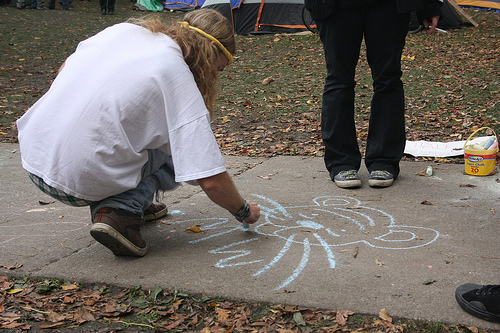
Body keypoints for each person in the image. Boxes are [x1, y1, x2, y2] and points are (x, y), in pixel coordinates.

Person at [16, 9, 261, 257]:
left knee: (148, 135)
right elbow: (209, 178)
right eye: (217, 69)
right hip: (74, 181)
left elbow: (66, 67)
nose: (214, 77)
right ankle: (120, 210)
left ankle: (135, 201)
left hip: (34, 155)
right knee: (178, 150)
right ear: (210, 50)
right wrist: (242, 210)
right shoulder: (177, 75)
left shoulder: (123, 31)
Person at [304, 0, 442, 189]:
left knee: (388, 80)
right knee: (338, 80)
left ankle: (384, 160)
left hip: (388, 7)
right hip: (335, 6)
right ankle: (341, 162)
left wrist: (430, 5)